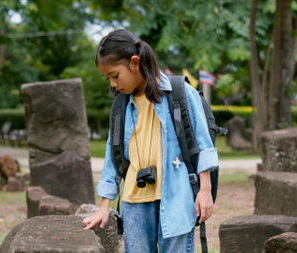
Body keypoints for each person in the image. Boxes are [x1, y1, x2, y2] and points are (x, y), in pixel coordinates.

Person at [82, 29, 219, 252]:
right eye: (108, 78)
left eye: (115, 75)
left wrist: (205, 191)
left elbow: (204, 145)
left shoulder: (180, 93)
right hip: (134, 203)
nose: (113, 84)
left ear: (135, 62)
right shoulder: (121, 106)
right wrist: (104, 205)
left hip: (177, 199)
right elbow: (112, 155)